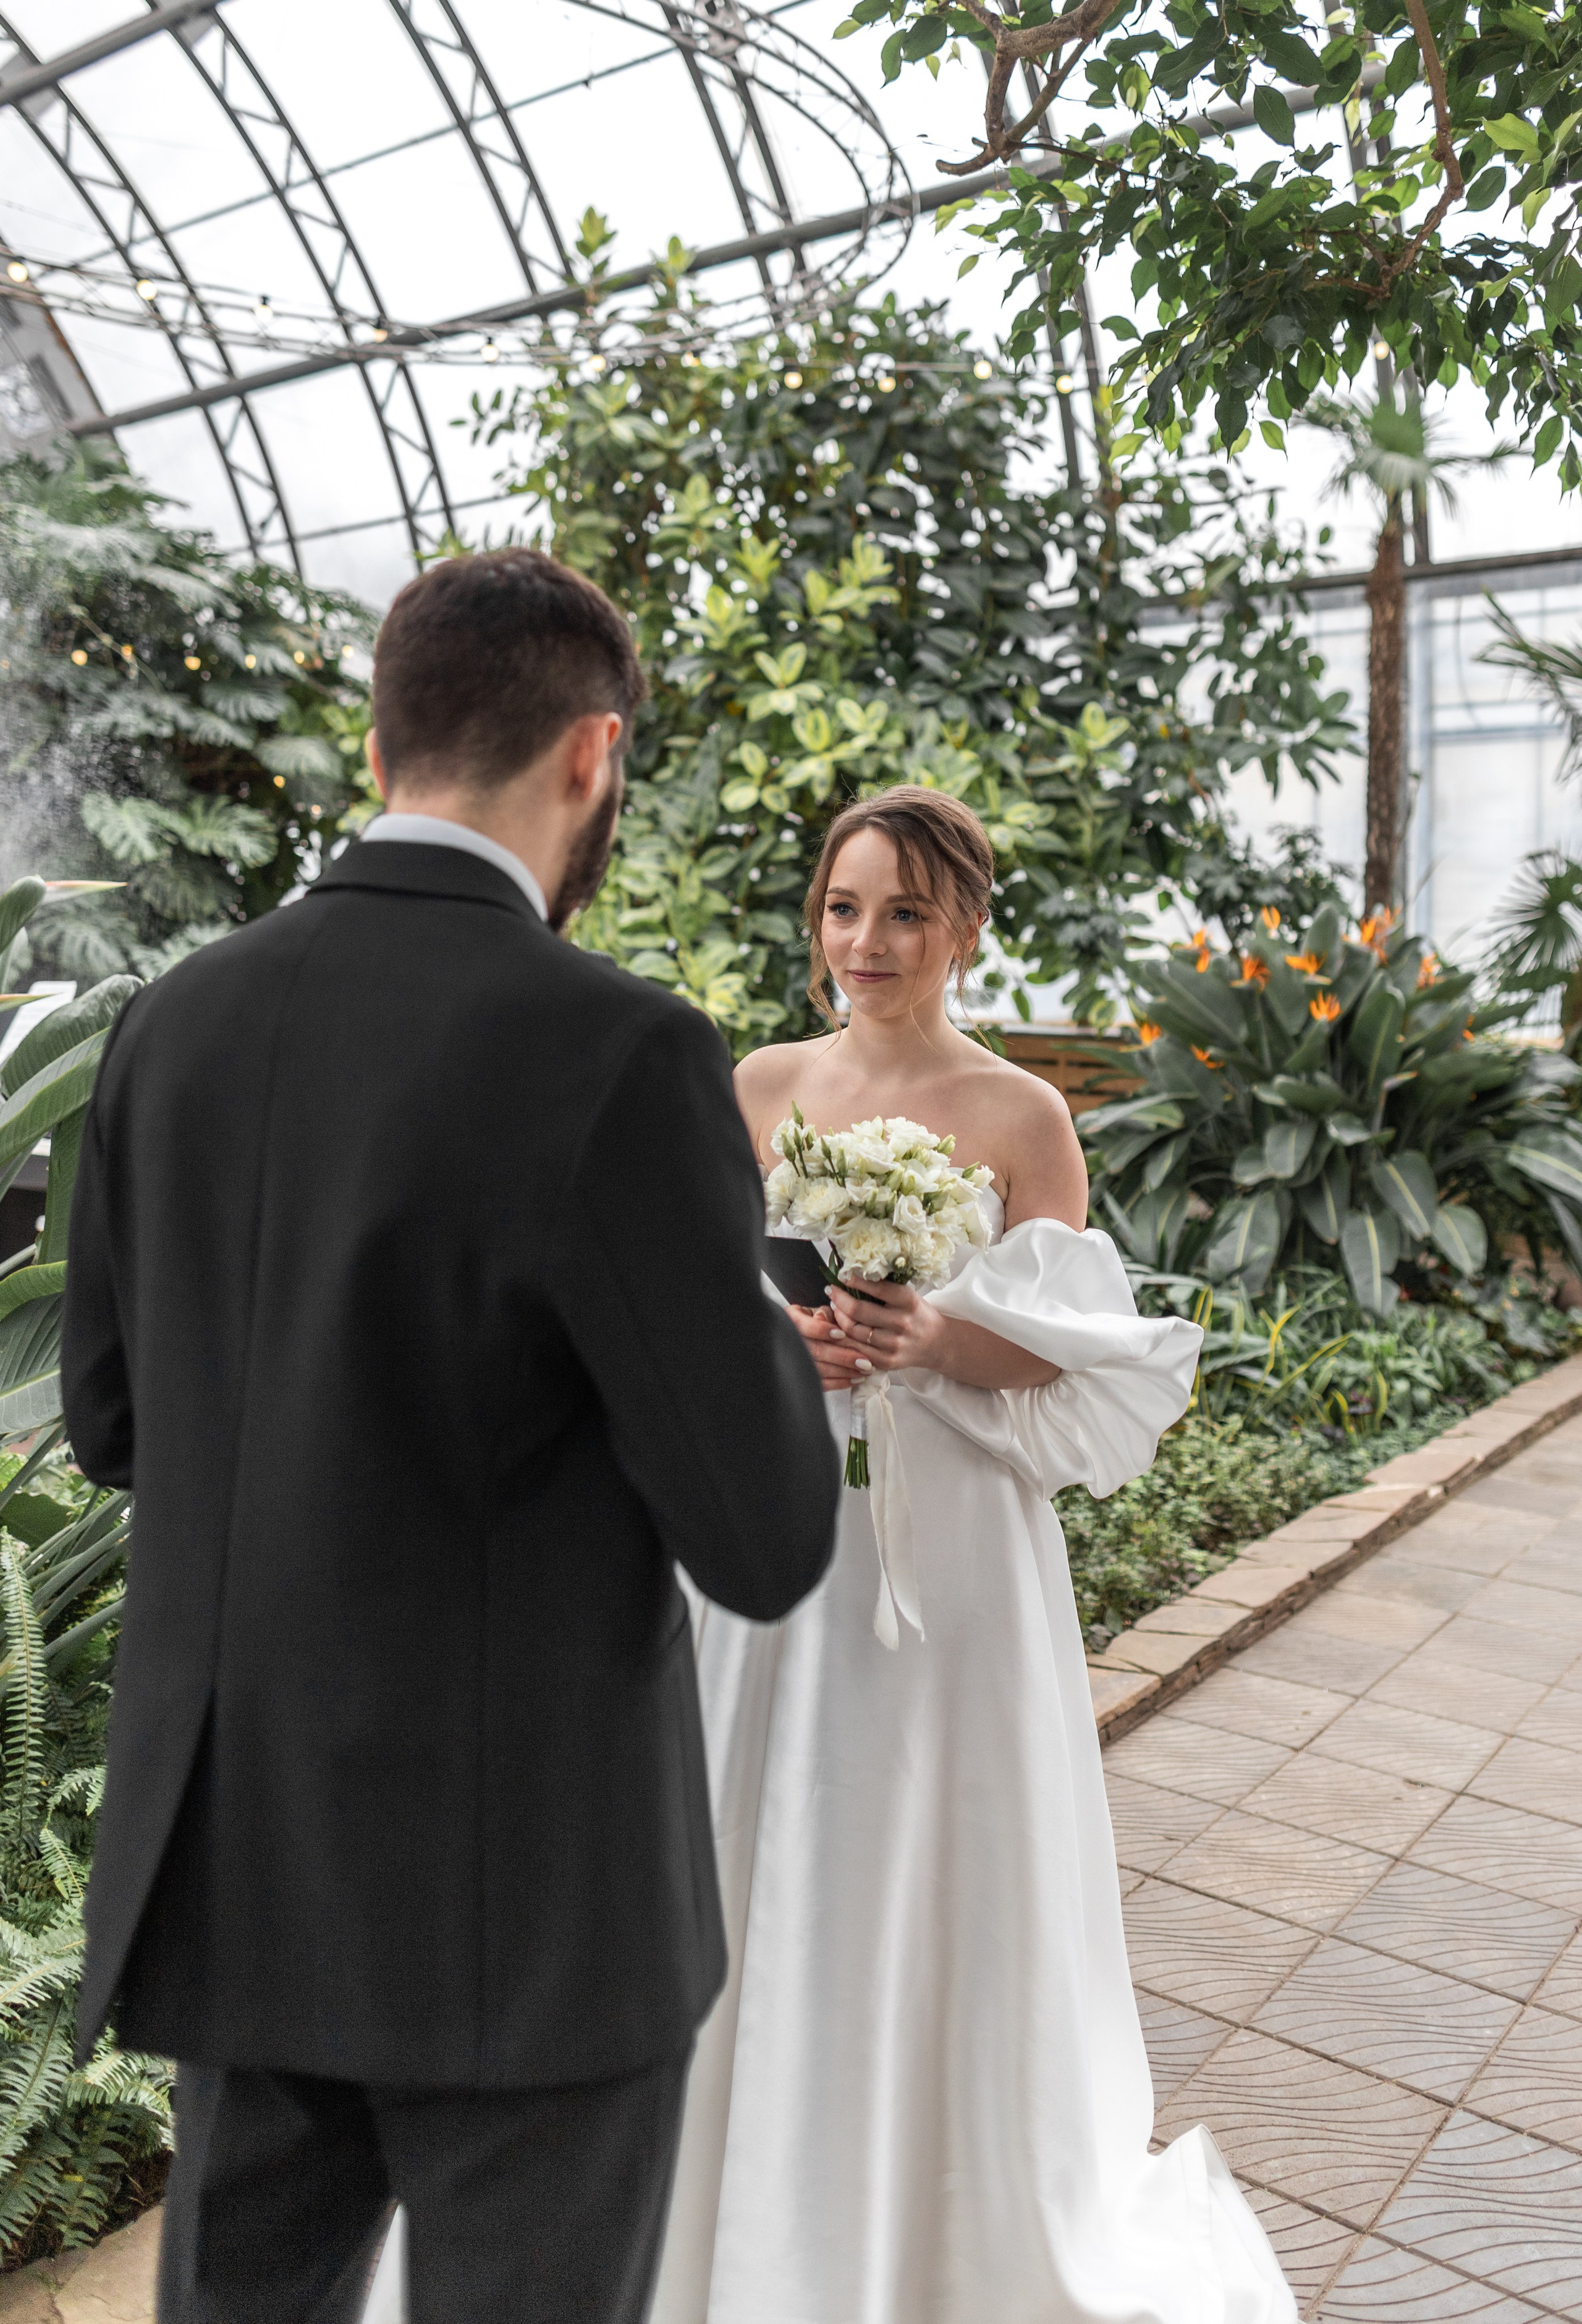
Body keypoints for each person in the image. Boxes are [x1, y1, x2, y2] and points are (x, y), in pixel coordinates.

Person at [61, 547, 840, 2324]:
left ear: (378, 740)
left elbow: (112, 1422)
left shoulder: (170, 1025)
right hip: (529, 1914)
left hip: (242, 1873)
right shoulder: (621, 1052)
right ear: (592, 753)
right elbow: (763, 1536)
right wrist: (759, 1310)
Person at [651, 787, 1297, 2324]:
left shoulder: (1020, 1115)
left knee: (935, 1833)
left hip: (952, 1555)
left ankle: (947, 2194)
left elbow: (1067, 1355)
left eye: (902, 911)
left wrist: (932, 1334)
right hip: (780, 1519)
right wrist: (786, 1337)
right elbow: (687, 1297)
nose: (864, 940)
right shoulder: (759, 1085)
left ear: (963, 927)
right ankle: (731, 2194)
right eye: (842, 907)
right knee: (750, 1825)